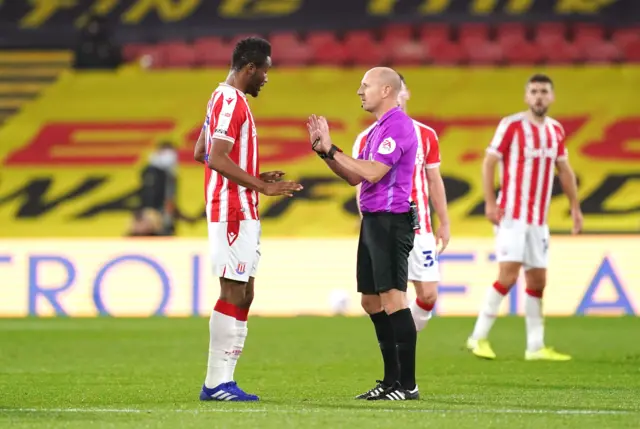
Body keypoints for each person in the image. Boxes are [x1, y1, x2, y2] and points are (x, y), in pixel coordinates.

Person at [193, 37, 303, 402]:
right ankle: (215, 383)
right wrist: (259, 185)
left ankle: (225, 380)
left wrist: (256, 175)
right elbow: (214, 156)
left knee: (246, 291)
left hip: (243, 208)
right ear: (250, 68)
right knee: (233, 290)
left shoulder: (223, 98)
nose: (267, 78)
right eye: (265, 70)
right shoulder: (229, 100)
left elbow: (200, 150)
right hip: (232, 210)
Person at [307, 67, 420, 401]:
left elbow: (373, 172)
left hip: (390, 220)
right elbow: (355, 178)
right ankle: (390, 381)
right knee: (370, 301)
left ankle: (407, 384)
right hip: (372, 220)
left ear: (386, 90)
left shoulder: (398, 124)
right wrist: (326, 152)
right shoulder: (376, 131)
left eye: (365, 85)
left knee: (393, 298)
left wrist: (334, 150)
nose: (359, 91)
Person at [466, 73, 583, 361]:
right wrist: (490, 203)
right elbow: (489, 162)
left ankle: (535, 346)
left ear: (552, 97)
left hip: (538, 220)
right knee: (507, 275)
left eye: (544, 91)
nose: (539, 96)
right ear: (526, 96)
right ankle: (477, 337)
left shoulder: (555, 130)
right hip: (511, 215)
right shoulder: (512, 125)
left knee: (538, 281)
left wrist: (576, 207)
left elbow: (565, 171)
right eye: (534, 91)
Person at [352, 74, 450, 345]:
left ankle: (404, 341)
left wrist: (444, 222)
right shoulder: (365, 138)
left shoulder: (426, 134)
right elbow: (359, 181)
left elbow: (434, 180)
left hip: (421, 227)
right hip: (387, 224)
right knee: (390, 296)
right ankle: (401, 353)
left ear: (403, 93)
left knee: (428, 295)